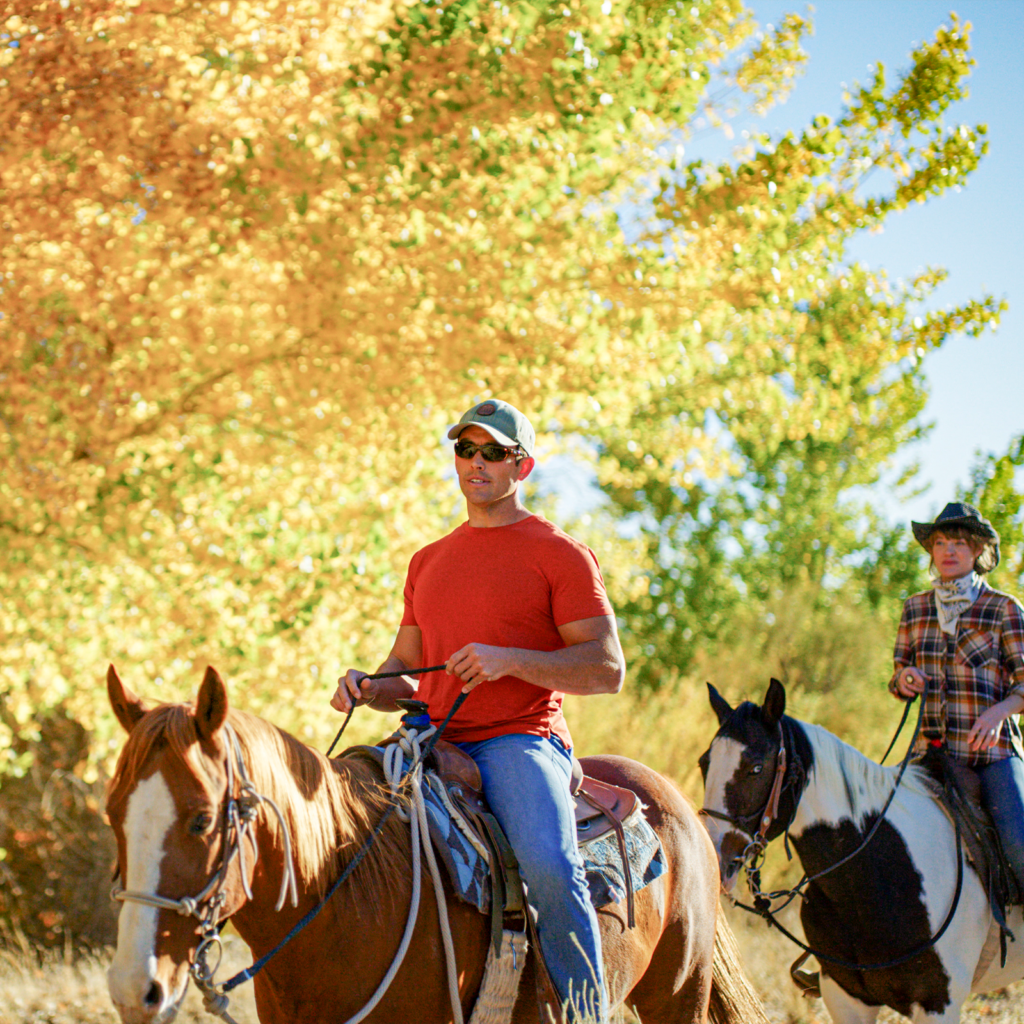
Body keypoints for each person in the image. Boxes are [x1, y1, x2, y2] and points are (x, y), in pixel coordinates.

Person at [332, 398, 625, 1021]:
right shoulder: (428, 560)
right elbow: (404, 672)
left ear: (525, 466)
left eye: (494, 452)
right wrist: (366, 685)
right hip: (427, 740)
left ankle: (583, 1013)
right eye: (466, 449)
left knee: (549, 864)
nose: (477, 463)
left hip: (518, 739)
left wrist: (509, 659)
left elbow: (607, 669)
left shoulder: (560, 553)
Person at [890, 501, 1024, 888]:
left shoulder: (1003, 609)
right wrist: (905, 678)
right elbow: (898, 676)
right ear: (931, 551)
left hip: (991, 757)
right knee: (878, 828)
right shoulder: (915, 608)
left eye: (959, 543)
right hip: (929, 755)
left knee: (1018, 845)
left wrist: (1000, 712)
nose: (948, 551)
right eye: (941, 542)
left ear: (978, 551)